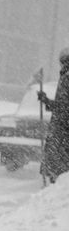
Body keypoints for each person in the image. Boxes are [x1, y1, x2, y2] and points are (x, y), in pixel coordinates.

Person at [38, 47, 69, 184]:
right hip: (61, 131)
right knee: (57, 167)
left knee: (59, 170)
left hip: (62, 132)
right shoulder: (65, 76)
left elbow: (64, 107)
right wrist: (47, 101)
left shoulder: (67, 78)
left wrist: (47, 102)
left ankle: (55, 187)